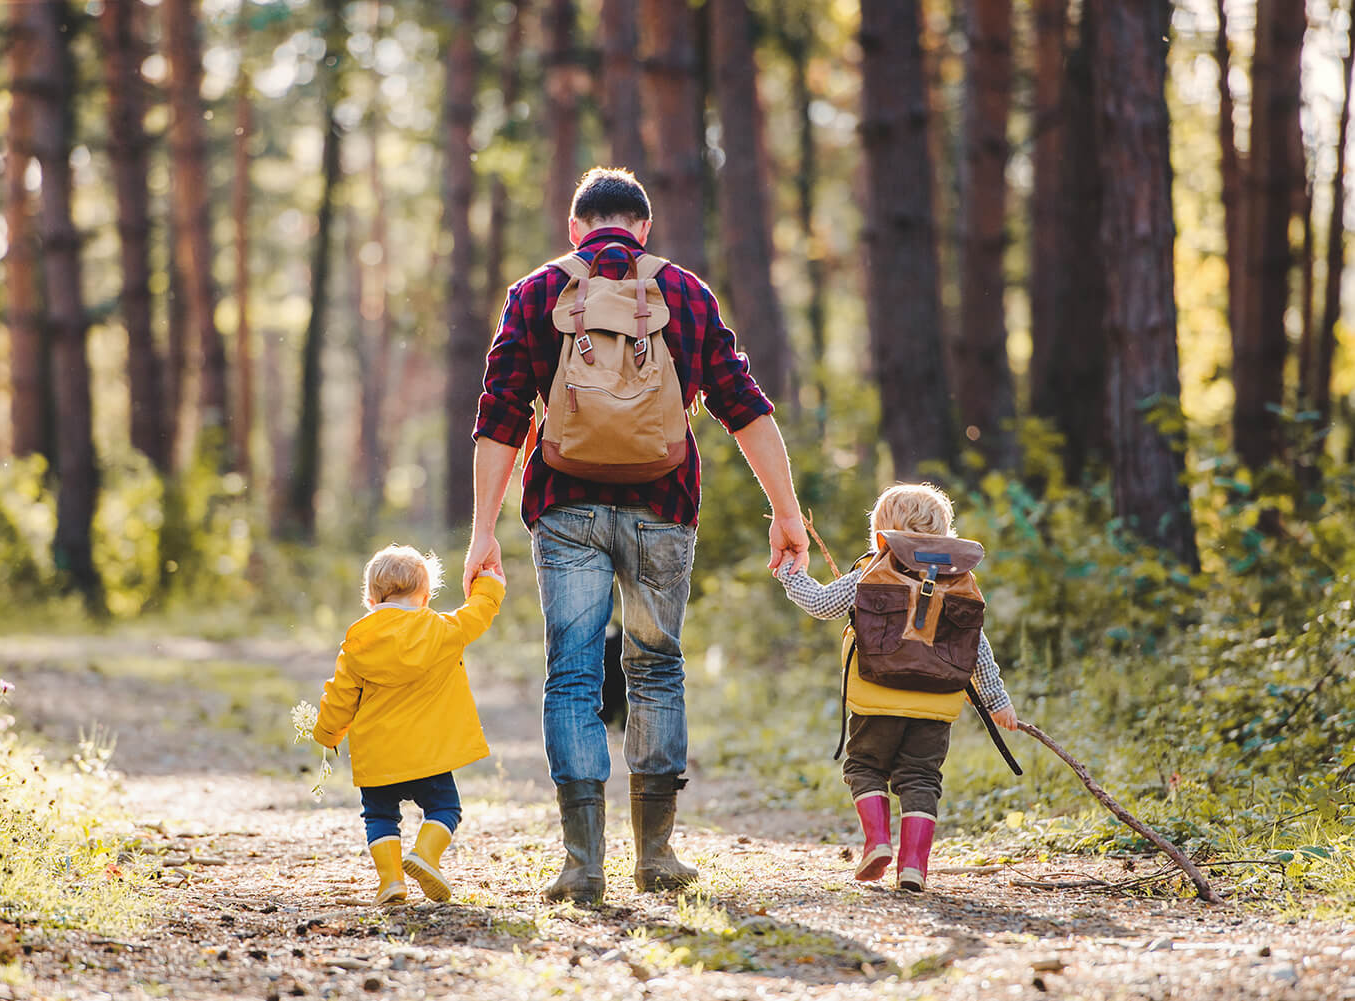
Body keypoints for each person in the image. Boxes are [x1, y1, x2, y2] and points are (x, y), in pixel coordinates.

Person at [464, 166, 810, 904]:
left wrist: (480, 533)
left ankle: (581, 864)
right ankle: (657, 855)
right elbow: (742, 405)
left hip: (565, 509)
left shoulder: (535, 293)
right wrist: (786, 512)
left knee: (574, 674)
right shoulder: (684, 292)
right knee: (656, 668)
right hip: (663, 508)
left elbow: (501, 416)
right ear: (644, 229)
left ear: (574, 228)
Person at [775, 483, 1018, 892]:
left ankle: (877, 842)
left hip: (877, 697)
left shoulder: (871, 571)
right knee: (922, 778)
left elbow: (820, 605)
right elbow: (976, 646)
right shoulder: (958, 580)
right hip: (936, 704)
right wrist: (997, 701)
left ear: (881, 534)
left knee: (865, 767)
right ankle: (914, 867)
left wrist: (789, 574)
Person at [311, 544, 505, 905]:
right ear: (425, 597)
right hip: (428, 755)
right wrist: (489, 585)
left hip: (378, 756)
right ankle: (426, 856)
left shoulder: (357, 642)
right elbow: (476, 614)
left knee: (380, 815)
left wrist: (327, 733)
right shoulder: (442, 630)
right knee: (445, 808)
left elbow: (340, 697)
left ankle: (391, 882)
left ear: (370, 597)